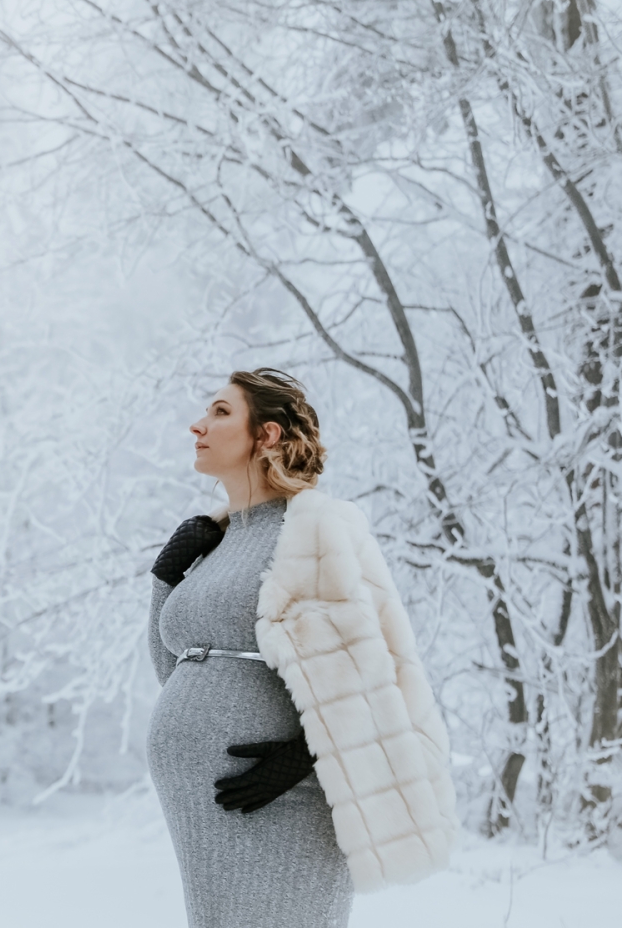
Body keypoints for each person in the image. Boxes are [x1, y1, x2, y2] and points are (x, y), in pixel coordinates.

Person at [145, 368, 457, 928]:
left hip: (286, 798)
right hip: (207, 808)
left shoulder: (312, 529)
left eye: (220, 412)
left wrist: (306, 756)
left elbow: (366, 664)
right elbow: (177, 671)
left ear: (266, 435)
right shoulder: (214, 541)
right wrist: (166, 579)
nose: (198, 424)